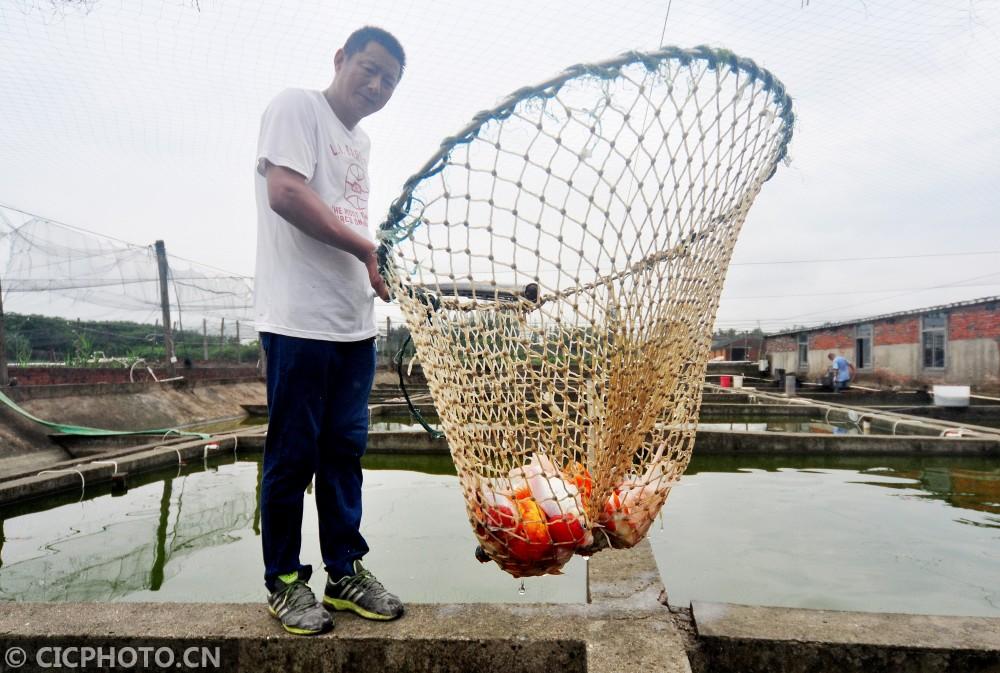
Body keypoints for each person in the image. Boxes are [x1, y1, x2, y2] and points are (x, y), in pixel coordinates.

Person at [253, 26, 405, 636]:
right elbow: (285, 193)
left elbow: (345, 225)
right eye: (368, 69)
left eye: (389, 81)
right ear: (340, 59)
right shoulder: (297, 107)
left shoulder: (360, 141)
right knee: (292, 454)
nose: (376, 85)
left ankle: (344, 572)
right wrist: (366, 247)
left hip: (351, 326)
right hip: (298, 320)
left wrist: (376, 264)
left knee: (345, 452)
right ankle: (285, 581)